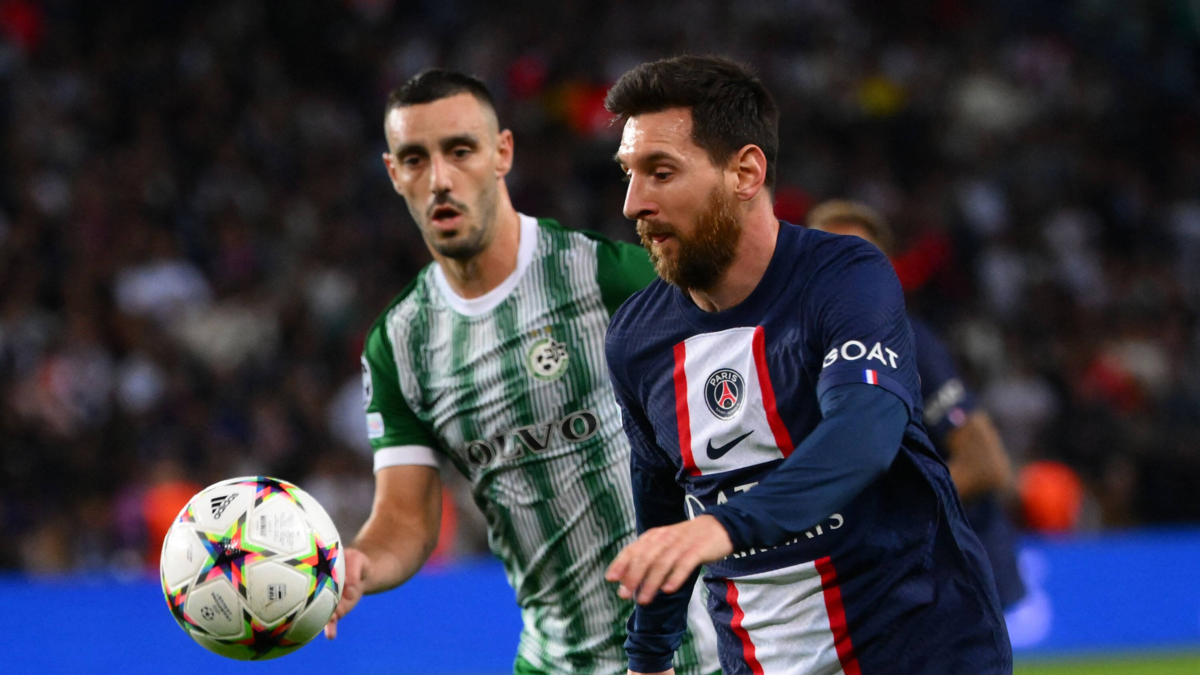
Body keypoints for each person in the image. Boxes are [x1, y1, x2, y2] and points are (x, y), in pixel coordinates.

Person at [602, 55, 1012, 674]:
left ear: (745, 172)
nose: (634, 203)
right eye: (629, 175)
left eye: (661, 172)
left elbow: (863, 431)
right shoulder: (637, 338)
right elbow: (660, 509)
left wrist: (724, 527)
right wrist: (649, 659)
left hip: (917, 652)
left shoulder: (845, 277)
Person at [323, 69, 720, 675]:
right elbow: (405, 518)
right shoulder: (400, 343)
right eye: (415, 159)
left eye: (460, 150)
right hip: (553, 659)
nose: (440, 179)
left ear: (502, 152)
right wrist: (362, 563)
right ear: (394, 173)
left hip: (696, 654)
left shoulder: (605, 277)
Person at [806, 199, 1026, 611]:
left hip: (955, 570)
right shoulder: (806, 351)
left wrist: (889, 522)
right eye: (830, 259)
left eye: (860, 260)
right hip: (900, 574)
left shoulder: (909, 344)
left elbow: (987, 464)